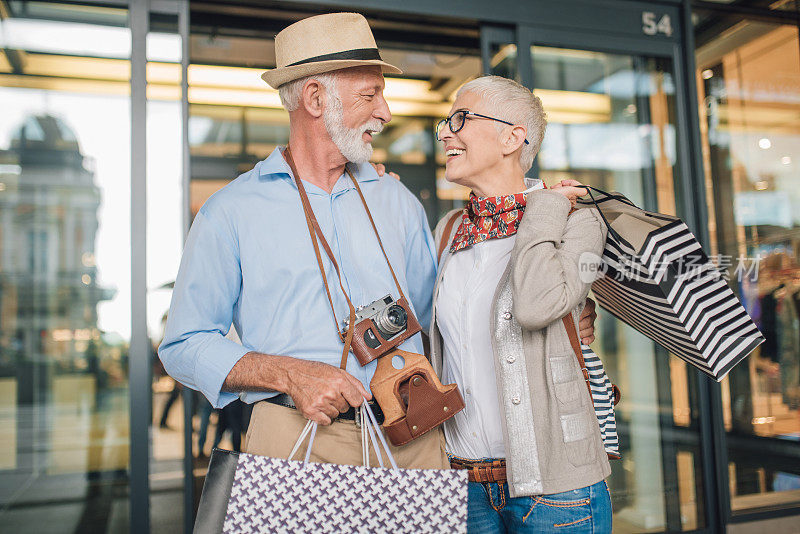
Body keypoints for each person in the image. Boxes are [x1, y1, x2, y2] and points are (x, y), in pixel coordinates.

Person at [159, 13, 597, 470]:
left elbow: (445, 319)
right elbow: (184, 344)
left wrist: (563, 314)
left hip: (413, 433)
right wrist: (290, 374)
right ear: (314, 98)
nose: (385, 112)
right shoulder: (230, 212)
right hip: (296, 440)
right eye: (370, 94)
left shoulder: (397, 200)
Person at [430, 76, 612, 533]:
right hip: (462, 482)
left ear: (514, 136)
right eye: (445, 122)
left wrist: (546, 207)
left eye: (460, 119)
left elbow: (534, 304)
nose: (445, 133)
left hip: (557, 489)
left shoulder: (579, 219)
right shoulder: (450, 229)